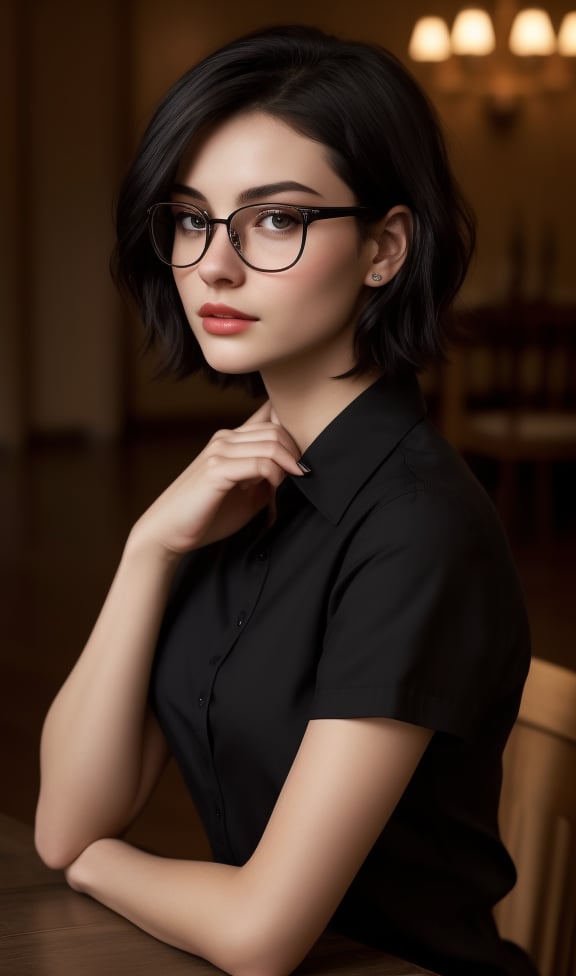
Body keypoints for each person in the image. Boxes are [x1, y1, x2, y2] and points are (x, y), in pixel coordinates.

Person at [34, 24, 537, 976]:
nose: (214, 265)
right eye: (191, 218)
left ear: (386, 248)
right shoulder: (239, 488)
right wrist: (149, 547)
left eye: (275, 219)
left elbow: (259, 932)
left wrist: (108, 869)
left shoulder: (416, 528)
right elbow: (67, 819)